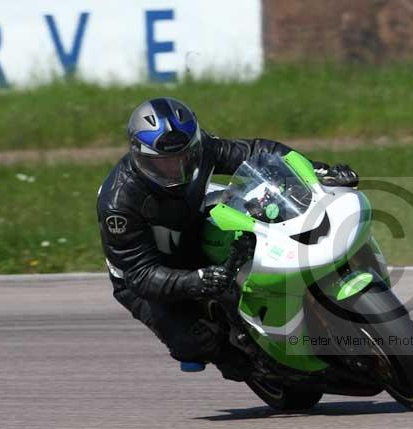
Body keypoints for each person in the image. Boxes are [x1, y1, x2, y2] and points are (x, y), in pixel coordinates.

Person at [96, 97, 358, 380]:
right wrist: (194, 281)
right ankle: (253, 364)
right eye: (164, 164)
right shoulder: (119, 204)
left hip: (192, 226)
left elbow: (257, 152)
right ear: (139, 156)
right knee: (195, 342)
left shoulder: (202, 149)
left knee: (263, 223)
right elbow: (139, 274)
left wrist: (317, 172)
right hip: (147, 274)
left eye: (184, 158)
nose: (176, 169)